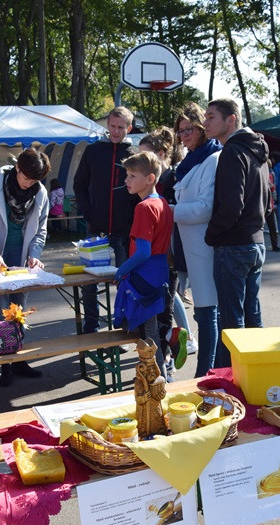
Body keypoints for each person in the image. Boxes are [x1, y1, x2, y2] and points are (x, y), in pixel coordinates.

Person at [0, 148, 51, 387]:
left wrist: (34, 256)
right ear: (17, 168)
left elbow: (41, 229)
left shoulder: (40, 192)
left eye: (35, 181)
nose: (29, 184)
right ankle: (2, 363)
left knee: (19, 310)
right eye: (26, 178)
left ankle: (17, 358)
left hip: (21, 257)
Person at [204, 98, 270, 369]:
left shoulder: (233, 151)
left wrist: (211, 235)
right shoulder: (256, 151)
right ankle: (260, 377)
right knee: (252, 319)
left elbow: (232, 205)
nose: (204, 122)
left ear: (231, 120)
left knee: (232, 325)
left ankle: (229, 385)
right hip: (255, 244)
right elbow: (266, 201)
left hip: (234, 246)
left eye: (211, 117)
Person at [73, 106, 140, 334]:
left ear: (129, 128)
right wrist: (89, 213)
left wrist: (132, 220)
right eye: (112, 126)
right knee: (90, 283)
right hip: (95, 230)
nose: (115, 131)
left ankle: (122, 327)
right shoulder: (93, 152)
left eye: (120, 127)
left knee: (124, 282)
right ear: (107, 125)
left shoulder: (134, 154)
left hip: (123, 232)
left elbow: (141, 191)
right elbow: (79, 185)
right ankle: (91, 326)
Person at [172, 102, 223, 377]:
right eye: (180, 131)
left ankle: (205, 372)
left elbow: (205, 207)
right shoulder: (188, 162)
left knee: (206, 313)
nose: (184, 135)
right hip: (187, 246)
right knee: (202, 312)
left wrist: (170, 212)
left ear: (202, 127)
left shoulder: (213, 158)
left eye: (189, 128)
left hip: (204, 246)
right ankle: (206, 370)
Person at [113, 151, 174, 372]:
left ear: (150, 179)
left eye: (132, 176)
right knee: (152, 331)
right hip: (159, 273)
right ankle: (162, 371)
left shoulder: (144, 207)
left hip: (144, 276)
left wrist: (120, 271)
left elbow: (143, 252)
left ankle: (158, 382)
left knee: (148, 337)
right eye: (126, 175)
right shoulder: (163, 203)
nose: (126, 180)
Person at [138, 129, 192, 378]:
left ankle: (166, 367)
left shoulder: (170, 180)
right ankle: (172, 343)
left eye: (145, 154)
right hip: (154, 259)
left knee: (162, 311)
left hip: (167, 257)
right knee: (158, 312)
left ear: (160, 154)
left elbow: (175, 220)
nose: (139, 159)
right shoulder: (151, 182)